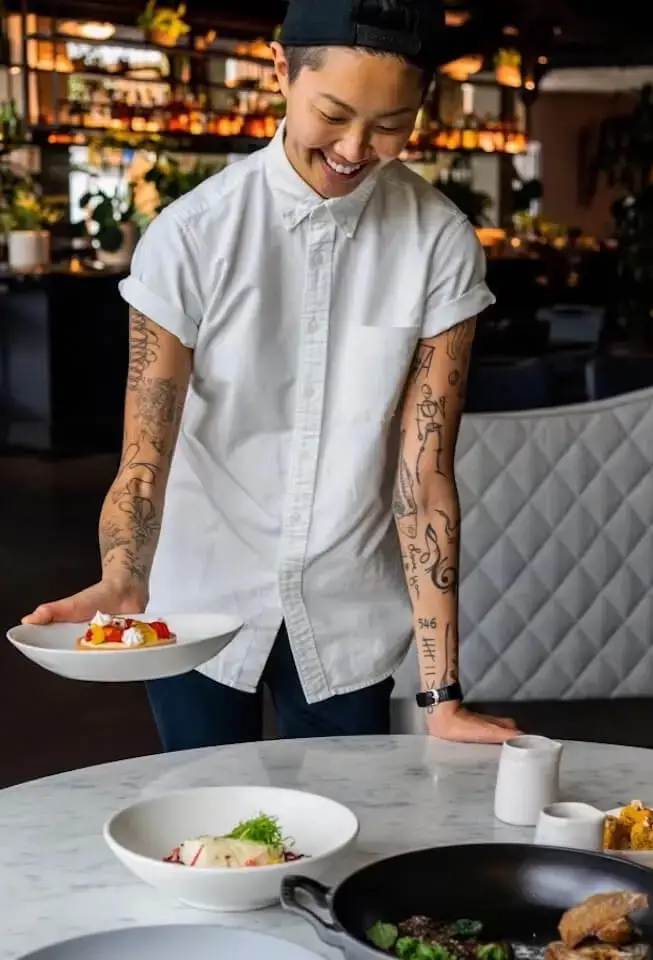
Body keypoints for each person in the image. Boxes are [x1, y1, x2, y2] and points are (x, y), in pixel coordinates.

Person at [24, 0, 520, 750]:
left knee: (348, 839)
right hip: (201, 595)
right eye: (335, 113)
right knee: (204, 827)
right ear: (283, 71)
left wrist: (441, 692)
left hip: (349, 607)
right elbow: (144, 455)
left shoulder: (440, 243)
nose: (358, 147)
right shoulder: (191, 237)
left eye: (391, 125)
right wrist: (124, 577)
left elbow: (426, 479)